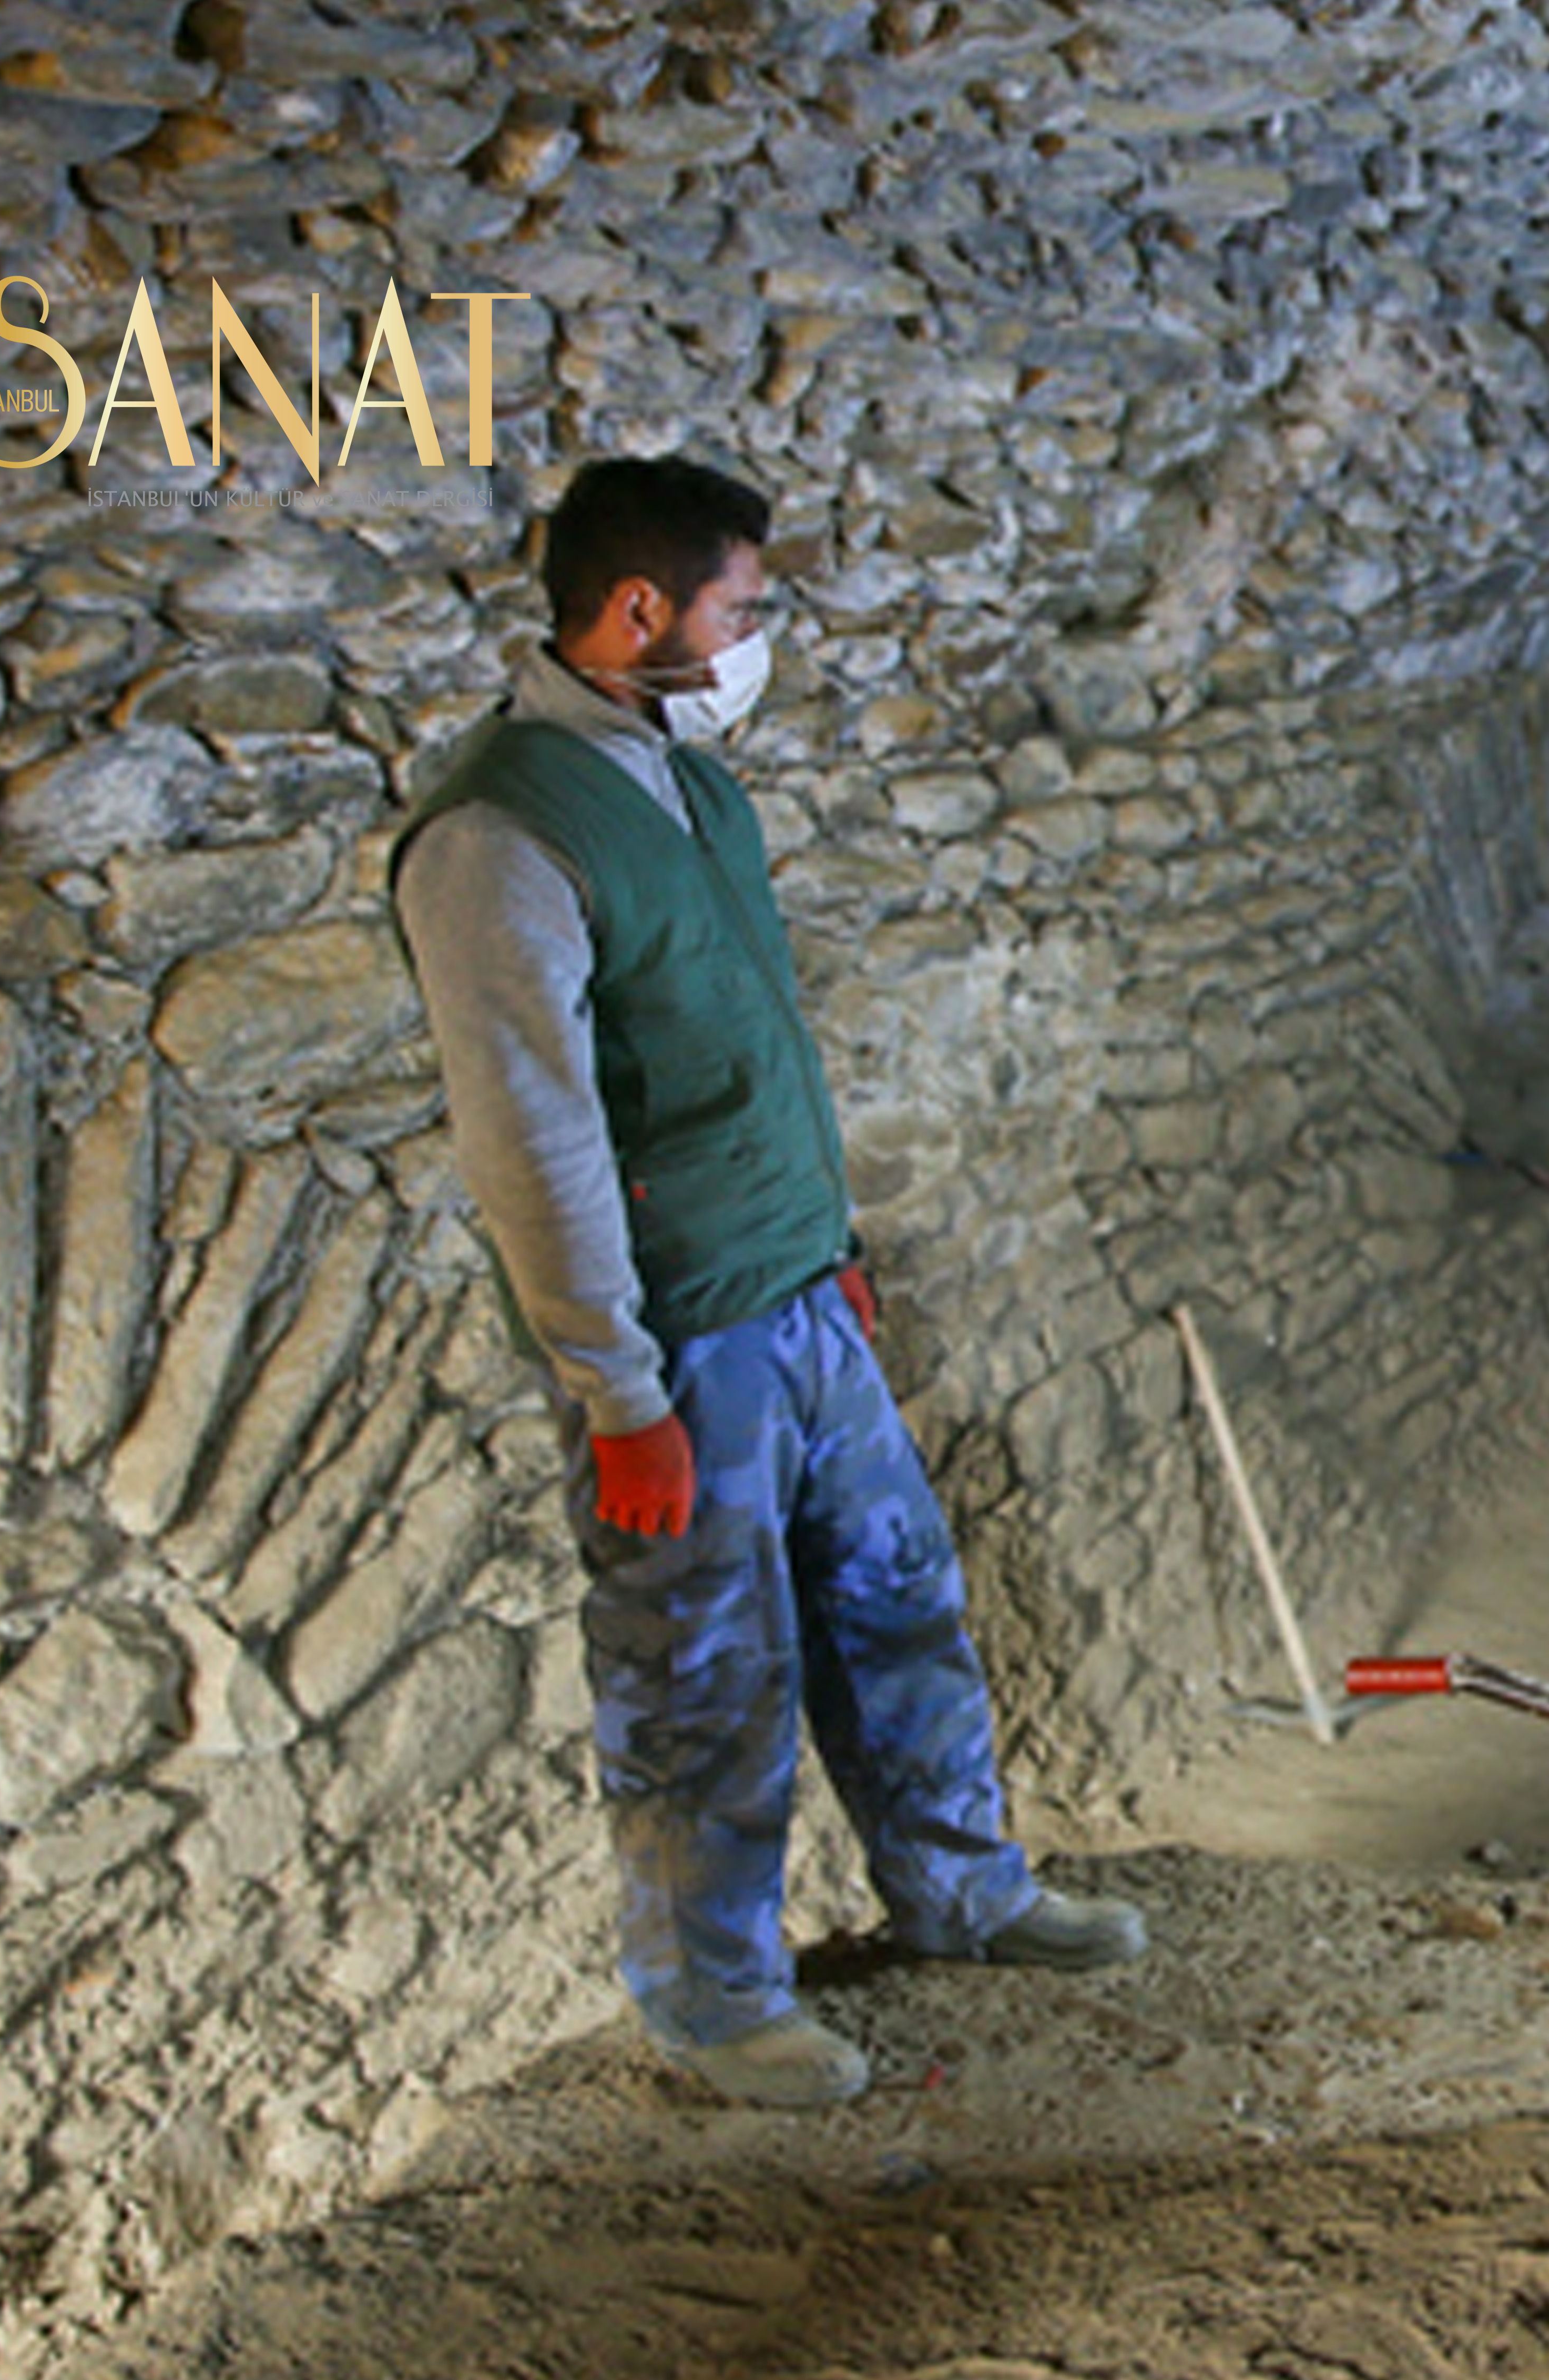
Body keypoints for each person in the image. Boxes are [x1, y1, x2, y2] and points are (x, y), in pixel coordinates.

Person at [390, 453, 1144, 2112]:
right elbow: (536, 1140)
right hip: (681, 1346)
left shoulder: (689, 782)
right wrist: (619, 1392)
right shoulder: (500, 838)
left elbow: (753, 1050)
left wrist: (833, 1246)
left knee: (899, 1602)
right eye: (741, 607)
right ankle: (718, 1999)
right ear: (640, 609)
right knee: (702, 1675)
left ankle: (961, 1888)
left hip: (797, 1295)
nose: (757, 638)